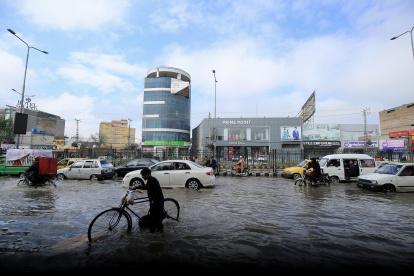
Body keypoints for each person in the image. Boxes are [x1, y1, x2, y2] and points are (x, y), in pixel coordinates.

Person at [137, 167, 165, 233]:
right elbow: (146, 187)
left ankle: (161, 234)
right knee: (153, 217)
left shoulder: (153, 180)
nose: (142, 177)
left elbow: (156, 191)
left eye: (143, 175)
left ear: (148, 174)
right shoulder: (149, 180)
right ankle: (154, 233)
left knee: (156, 219)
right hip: (153, 202)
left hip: (157, 202)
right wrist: (136, 187)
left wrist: (152, 200)